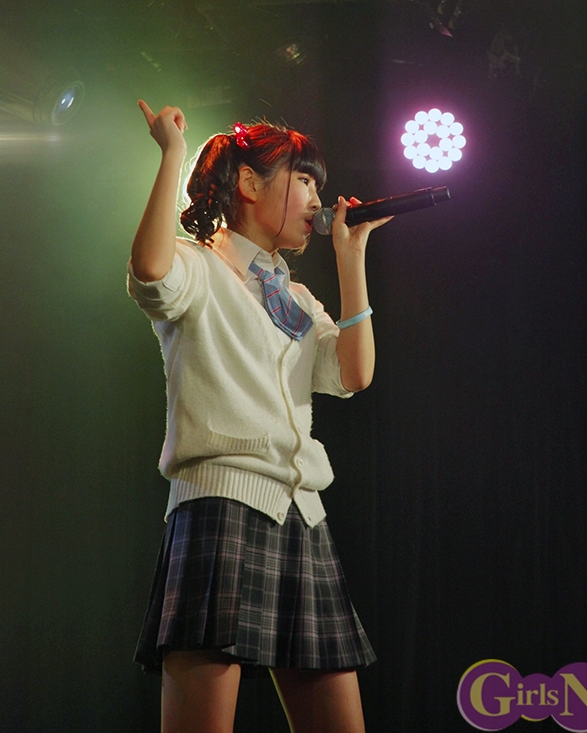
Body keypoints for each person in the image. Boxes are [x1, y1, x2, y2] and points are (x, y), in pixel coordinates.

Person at [128, 101, 390, 733]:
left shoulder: (296, 296)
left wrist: (351, 260)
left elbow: (353, 374)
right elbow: (150, 271)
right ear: (249, 183)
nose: (316, 199)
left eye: (318, 186)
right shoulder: (199, 266)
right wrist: (171, 156)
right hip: (222, 504)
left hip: (303, 513)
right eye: (304, 180)